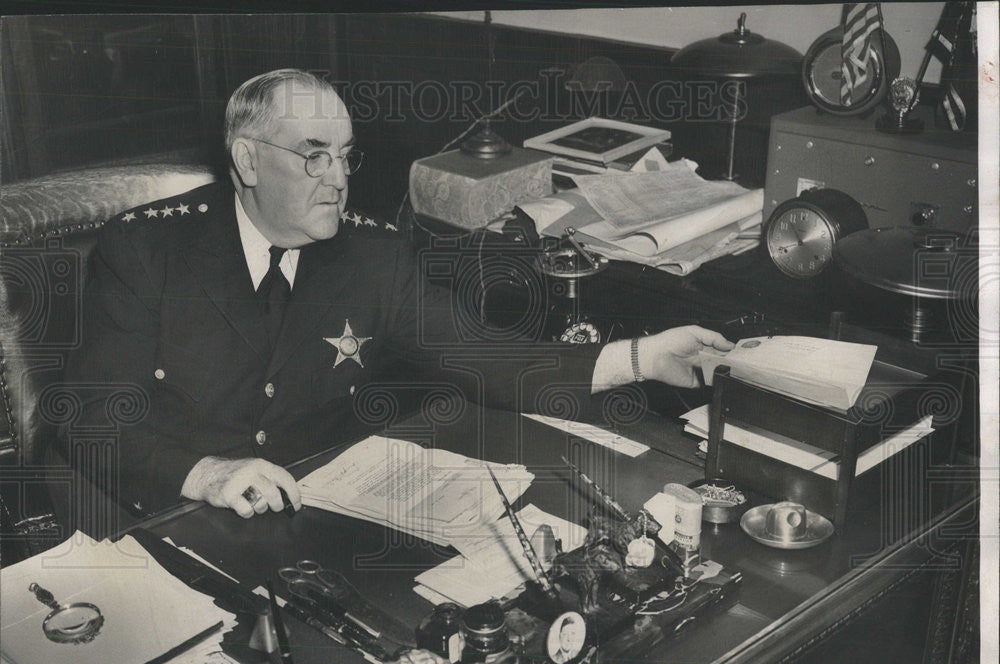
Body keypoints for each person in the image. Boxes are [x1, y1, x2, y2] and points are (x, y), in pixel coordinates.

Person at [62, 69, 733, 520]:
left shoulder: (371, 254)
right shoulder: (148, 251)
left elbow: (487, 358)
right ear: (246, 160)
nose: (337, 179)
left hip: (319, 512)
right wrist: (203, 474)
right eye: (312, 154)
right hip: (182, 514)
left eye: (345, 154)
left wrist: (645, 357)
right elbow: (91, 419)